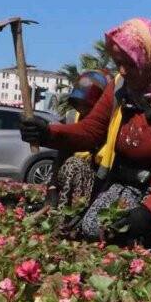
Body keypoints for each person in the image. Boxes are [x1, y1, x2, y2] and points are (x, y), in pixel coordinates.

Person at [20, 18, 151, 249]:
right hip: (136, 182)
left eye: (130, 64)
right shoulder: (121, 86)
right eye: (118, 63)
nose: (122, 71)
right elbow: (90, 131)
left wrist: (146, 214)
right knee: (96, 226)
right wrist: (47, 133)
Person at [44, 69, 110, 208]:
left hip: (98, 180)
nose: (82, 109)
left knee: (75, 166)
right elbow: (62, 154)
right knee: (73, 164)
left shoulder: (110, 123)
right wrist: (52, 187)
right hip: (71, 177)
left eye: (86, 105)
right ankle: (62, 213)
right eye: (79, 104)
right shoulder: (72, 117)